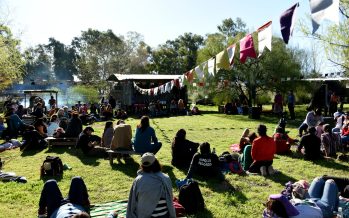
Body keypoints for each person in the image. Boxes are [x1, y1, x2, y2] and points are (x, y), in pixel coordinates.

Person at [127, 153, 176, 218]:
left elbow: (132, 202)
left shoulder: (138, 180)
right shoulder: (166, 178)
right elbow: (170, 201)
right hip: (164, 215)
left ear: (142, 165)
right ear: (156, 163)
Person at [264, 177, 339, 218]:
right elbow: (281, 197)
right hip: (324, 209)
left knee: (318, 180)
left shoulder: (271, 213)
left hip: (309, 201)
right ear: (286, 205)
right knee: (330, 182)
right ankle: (335, 211)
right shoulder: (293, 212)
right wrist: (270, 197)